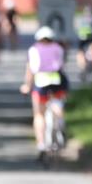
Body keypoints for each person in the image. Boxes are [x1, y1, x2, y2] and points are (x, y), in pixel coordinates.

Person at [20, 26, 69, 161]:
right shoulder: (59, 48)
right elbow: (62, 66)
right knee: (57, 105)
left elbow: (30, 70)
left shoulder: (34, 50)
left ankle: (41, 143)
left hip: (40, 83)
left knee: (39, 114)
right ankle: (61, 124)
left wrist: (27, 86)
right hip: (57, 82)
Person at [75, 7, 92, 76]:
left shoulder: (81, 19)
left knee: (83, 53)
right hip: (87, 38)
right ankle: (86, 68)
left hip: (85, 38)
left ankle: (85, 68)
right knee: (84, 53)